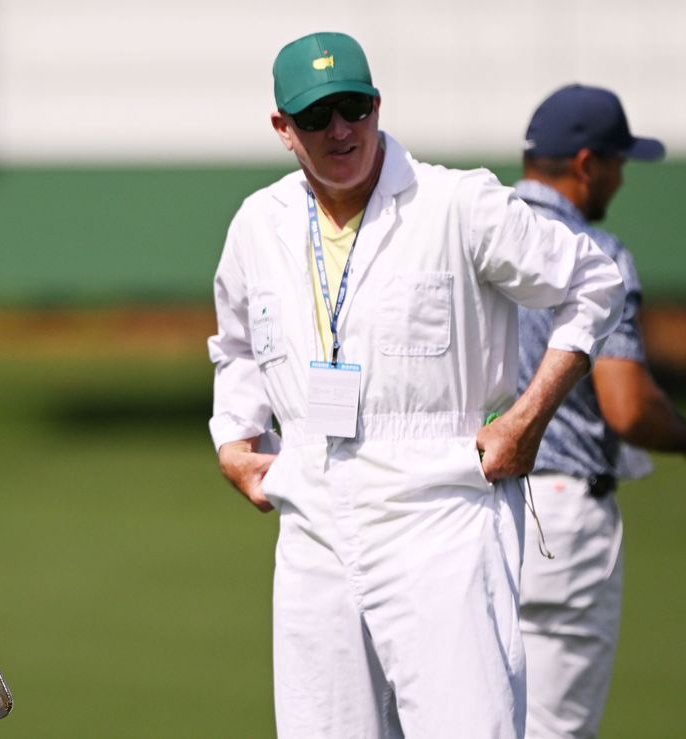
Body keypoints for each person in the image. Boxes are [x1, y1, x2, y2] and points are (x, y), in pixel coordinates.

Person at [208, 32, 626, 738]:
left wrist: (527, 419)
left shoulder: (457, 203)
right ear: (283, 128)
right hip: (311, 516)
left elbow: (592, 282)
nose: (341, 130)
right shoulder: (259, 223)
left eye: (354, 108)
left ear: (377, 106)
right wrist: (234, 440)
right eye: (317, 116)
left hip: (444, 515)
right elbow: (238, 343)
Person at [514, 84, 686, 739]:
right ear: (587, 163)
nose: (620, 177)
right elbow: (627, 406)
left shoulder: (471, 235)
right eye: (617, 162)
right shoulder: (597, 254)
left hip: (464, 507)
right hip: (562, 517)